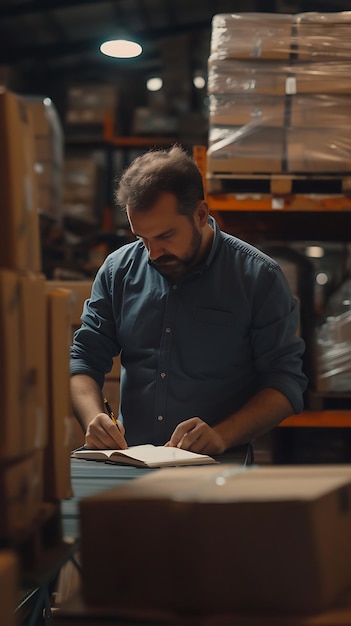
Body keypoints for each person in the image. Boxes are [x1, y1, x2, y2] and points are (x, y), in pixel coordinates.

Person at [70, 145, 307, 455]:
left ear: (200, 215)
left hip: (217, 471)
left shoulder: (258, 278)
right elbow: (84, 360)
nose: (153, 254)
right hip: (132, 464)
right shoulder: (119, 271)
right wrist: (94, 418)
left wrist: (221, 435)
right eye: (142, 239)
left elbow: (285, 384)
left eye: (166, 236)